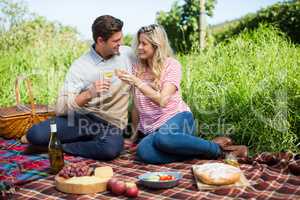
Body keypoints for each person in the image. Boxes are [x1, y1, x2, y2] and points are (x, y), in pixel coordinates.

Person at [117, 24, 247, 164]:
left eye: (144, 44)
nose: (139, 47)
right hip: (153, 130)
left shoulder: (172, 65)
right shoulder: (137, 69)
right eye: (139, 43)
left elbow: (162, 100)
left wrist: (138, 82)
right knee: (144, 153)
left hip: (178, 119)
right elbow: (137, 107)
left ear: (157, 45)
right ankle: (201, 148)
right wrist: (133, 137)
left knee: (164, 138)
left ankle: (219, 150)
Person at [22, 15, 136, 160]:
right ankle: (84, 142)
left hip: (110, 125)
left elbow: (154, 58)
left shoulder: (127, 54)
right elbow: (61, 107)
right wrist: (89, 93)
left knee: (110, 149)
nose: (121, 43)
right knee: (35, 134)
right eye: (116, 41)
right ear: (100, 40)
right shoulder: (81, 66)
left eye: (121, 38)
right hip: (80, 119)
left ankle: (61, 147)